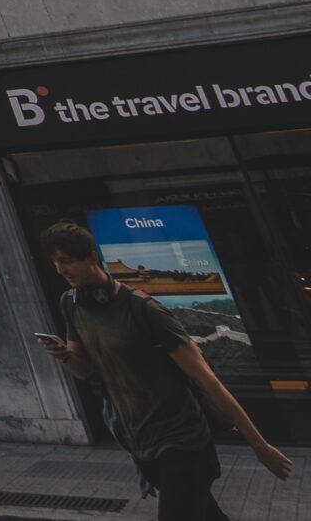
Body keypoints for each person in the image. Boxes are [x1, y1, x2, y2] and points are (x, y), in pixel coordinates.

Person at [39, 221, 292, 520]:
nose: (60, 270)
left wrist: (260, 446)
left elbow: (207, 380)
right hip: (139, 441)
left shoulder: (144, 310)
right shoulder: (71, 304)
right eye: (55, 262)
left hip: (181, 439)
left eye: (67, 261)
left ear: (92, 257)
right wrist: (63, 357)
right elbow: (83, 371)